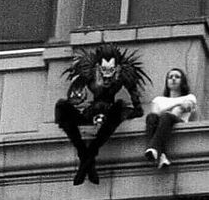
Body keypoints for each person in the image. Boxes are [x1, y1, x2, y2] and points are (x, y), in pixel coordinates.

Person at [55, 43, 151, 185]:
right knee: (61, 106)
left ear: (117, 68)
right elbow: (74, 96)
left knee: (118, 106)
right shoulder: (88, 73)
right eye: (104, 69)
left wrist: (128, 111)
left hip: (109, 113)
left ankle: (87, 159)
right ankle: (85, 156)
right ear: (98, 67)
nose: (107, 75)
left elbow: (137, 107)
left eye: (111, 70)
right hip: (91, 112)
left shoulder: (123, 76)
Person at [145, 68, 197, 169]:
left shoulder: (190, 97)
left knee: (166, 116)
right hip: (162, 123)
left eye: (177, 77)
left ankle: (153, 148)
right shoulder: (158, 99)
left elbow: (184, 108)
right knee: (151, 117)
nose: (173, 79)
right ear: (167, 81)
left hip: (178, 122)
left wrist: (175, 107)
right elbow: (154, 114)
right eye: (170, 77)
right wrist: (177, 104)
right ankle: (161, 155)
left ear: (182, 81)